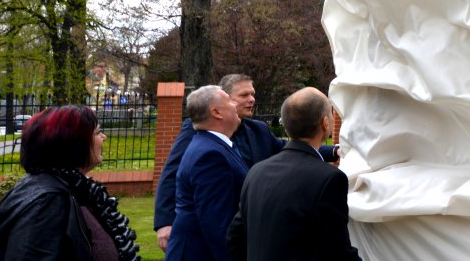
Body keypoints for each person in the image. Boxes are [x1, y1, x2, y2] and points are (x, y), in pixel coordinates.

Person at [154, 74, 339, 250]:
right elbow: (172, 172)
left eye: (253, 94)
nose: (251, 99)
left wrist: (334, 150)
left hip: (246, 225)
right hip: (209, 232)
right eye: (244, 95)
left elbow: (286, 148)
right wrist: (164, 222)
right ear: (224, 100)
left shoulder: (258, 129)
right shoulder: (198, 129)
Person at [227, 87, 360, 260]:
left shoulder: (256, 171)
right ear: (325, 123)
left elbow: (234, 238)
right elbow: (337, 250)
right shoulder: (328, 178)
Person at [0, 105, 141, 261]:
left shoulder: (78, 190)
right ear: (74, 143)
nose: (103, 137)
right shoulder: (48, 202)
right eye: (97, 132)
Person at [164, 85, 248, 261]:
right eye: (230, 101)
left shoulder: (213, 146)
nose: (235, 105)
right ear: (217, 112)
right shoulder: (210, 155)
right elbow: (217, 224)